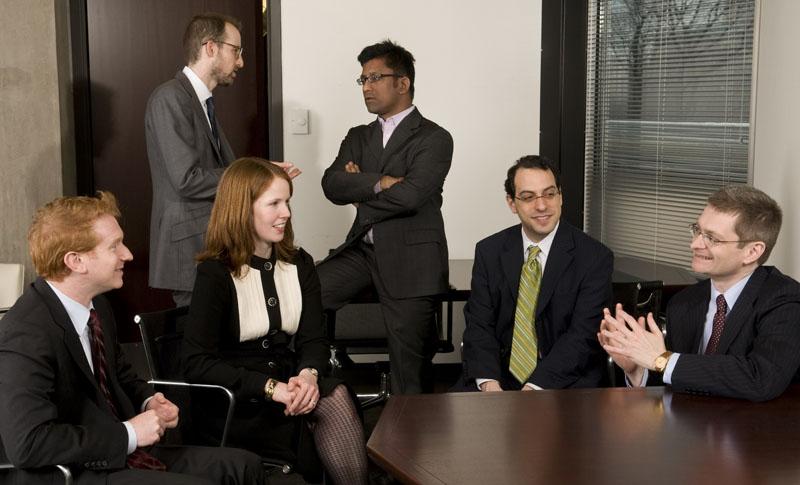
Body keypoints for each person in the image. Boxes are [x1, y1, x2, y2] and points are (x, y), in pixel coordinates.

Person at [0, 192, 266, 485]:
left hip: (120, 455)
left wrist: (147, 402)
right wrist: (129, 433)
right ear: (75, 261)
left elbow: (120, 375)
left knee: (244, 466)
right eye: (114, 246)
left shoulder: (97, 304)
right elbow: (28, 443)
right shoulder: (25, 333)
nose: (127, 254)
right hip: (75, 472)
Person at [182, 158, 368, 484]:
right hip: (239, 397)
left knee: (333, 394)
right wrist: (271, 389)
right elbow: (197, 363)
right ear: (242, 209)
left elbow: (313, 339)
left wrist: (308, 375)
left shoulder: (300, 263)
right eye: (274, 204)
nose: (286, 213)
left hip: (290, 378)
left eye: (287, 202)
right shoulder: (215, 273)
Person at [317, 40, 454, 394]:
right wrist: (381, 182)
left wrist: (359, 188)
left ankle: (409, 446)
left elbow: (411, 197)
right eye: (362, 80)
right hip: (362, 251)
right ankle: (321, 388)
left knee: (409, 374)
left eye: (375, 78)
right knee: (303, 295)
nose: (366, 87)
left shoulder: (435, 138)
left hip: (412, 260)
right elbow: (331, 185)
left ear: (403, 83)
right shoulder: (358, 136)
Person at [145, 12, 299, 307]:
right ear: (210, 48)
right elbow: (186, 180)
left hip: (210, 244)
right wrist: (255, 177)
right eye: (236, 51)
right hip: (189, 249)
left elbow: (225, 173)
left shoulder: (202, 102)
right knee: (198, 347)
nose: (241, 62)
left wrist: (263, 174)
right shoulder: (170, 98)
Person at [599, 185, 800, 401]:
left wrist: (661, 360)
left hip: (757, 432)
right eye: (697, 230)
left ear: (752, 251)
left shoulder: (785, 300)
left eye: (712, 238)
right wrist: (637, 368)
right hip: (690, 429)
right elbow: (677, 381)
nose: (694, 244)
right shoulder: (684, 302)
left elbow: (761, 379)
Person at [455, 155, 613, 392]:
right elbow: (479, 326)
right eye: (528, 197)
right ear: (511, 203)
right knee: (443, 422)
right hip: (499, 377)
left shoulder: (594, 257)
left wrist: (533, 388)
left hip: (564, 381)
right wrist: (489, 384)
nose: (541, 206)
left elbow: (582, 337)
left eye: (549, 194)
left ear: (561, 196)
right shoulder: (490, 251)